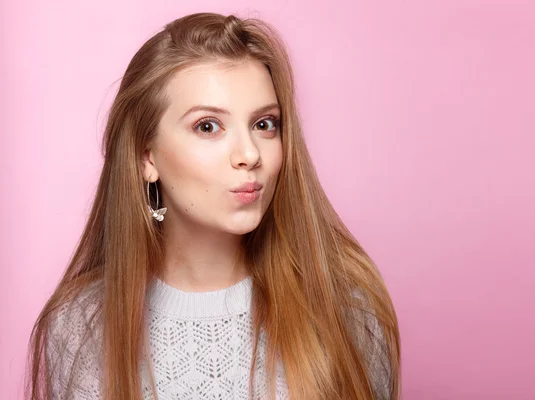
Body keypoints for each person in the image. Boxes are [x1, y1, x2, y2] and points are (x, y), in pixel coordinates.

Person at [25, 12, 401, 400]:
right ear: (146, 157)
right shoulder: (78, 328)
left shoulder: (345, 312)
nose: (249, 154)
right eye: (208, 126)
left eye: (264, 124)